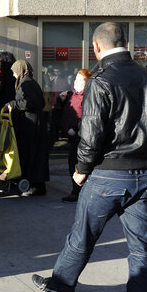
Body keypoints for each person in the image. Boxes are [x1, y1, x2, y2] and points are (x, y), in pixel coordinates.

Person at [32, 22, 147, 292]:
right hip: (145, 176)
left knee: (82, 235)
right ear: (126, 42)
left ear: (97, 47)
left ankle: (62, 284)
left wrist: (81, 167)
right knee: (142, 250)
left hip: (109, 173)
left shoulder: (102, 79)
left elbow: (91, 132)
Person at [4, 60, 50, 196]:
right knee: (35, 155)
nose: (13, 75)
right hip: (35, 124)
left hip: (30, 126)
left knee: (30, 155)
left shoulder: (27, 84)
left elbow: (30, 102)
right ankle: (36, 184)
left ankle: (33, 185)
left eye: (14, 72)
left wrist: (13, 103)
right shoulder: (32, 82)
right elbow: (40, 102)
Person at [56, 68, 92, 202]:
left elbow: (87, 116)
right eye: (75, 79)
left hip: (81, 136)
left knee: (77, 163)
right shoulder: (72, 94)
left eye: (79, 80)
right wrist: (62, 99)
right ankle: (76, 191)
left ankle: (79, 192)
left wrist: (76, 128)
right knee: (72, 163)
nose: (75, 82)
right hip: (71, 135)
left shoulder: (88, 96)